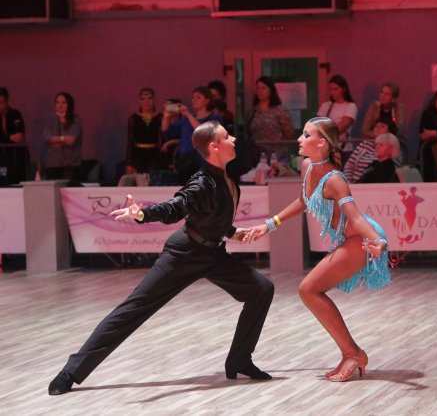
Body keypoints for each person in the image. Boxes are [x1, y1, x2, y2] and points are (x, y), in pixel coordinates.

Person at [48, 121, 275, 396]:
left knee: (261, 289)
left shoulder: (226, 176)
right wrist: (143, 214)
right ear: (214, 146)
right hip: (184, 254)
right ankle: (70, 372)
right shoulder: (201, 181)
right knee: (134, 308)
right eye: (227, 137)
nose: (234, 139)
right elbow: (176, 207)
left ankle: (239, 360)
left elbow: (210, 213)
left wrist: (231, 232)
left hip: (212, 253)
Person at [244, 117, 390, 382]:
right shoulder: (307, 166)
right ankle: (352, 353)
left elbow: (356, 217)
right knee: (309, 290)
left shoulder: (335, 180)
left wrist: (378, 242)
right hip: (353, 238)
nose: (299, 139)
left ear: (321, 143)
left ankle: (353, 354)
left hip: (362, 240)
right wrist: (270, 224)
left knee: (308, 289)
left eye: (306, 135)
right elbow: (303, 201)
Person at [162, 86, 222, 184]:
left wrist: (188, 114)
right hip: (185, 163)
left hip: (204, 163)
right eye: (193, 97)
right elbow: (166, 130)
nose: (194, 100)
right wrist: (166, 116)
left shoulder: (215, 118)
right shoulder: (186, 120)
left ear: (207, 101)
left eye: (198, 97)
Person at [248, 76, 294, 159]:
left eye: (263, 88)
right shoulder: (253, 111)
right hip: (257, 154)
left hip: (276, 155)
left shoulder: (280, 110)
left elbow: (289, 133)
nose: (260, 91)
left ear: (271, 90)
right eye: (258, 88)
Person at [123, 87, 162, 182]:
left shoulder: (160, 117)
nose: (146, 102)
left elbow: (162, 138)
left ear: (153, 100)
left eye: (149, 98)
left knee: (152, 181)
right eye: (143, 99)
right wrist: (128, 163)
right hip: (138, 156)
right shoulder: (133, 118)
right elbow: (130, 141)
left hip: (154, 155)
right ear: (139, 101)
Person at [344, 117, 398, 183]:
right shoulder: (365, 144)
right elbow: (349, 165)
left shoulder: (391, 150)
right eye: (376, 126)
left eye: (382, 126)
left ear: (390, 132)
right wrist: (348, 181)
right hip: (353, 183)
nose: (377, 128)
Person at [43, 92, 83, 180]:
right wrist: (63, 139)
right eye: (57, 102)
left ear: (69, 104)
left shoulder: (76, 120)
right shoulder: (50, 121)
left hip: (70, 164)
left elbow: (71, 140)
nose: (60, 105)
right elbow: (46, 139)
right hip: (53, 164)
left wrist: (54, 143)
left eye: (63, 102)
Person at [317, 74, 358, 152]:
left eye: (335, 89)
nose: (332, 92)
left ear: (344, 89)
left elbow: (342, 126)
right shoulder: (326, 105)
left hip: (342, 148)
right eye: (330, 89)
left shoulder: (351, 106)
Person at [0, 87, 28, 186]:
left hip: (16, 156)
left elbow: (20, 136)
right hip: (1, 158)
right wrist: (9, 138)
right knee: (3, 180)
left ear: (7, 101)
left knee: (17, 182)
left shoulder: (15, 114)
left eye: (1, 102)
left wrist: (6, 138)